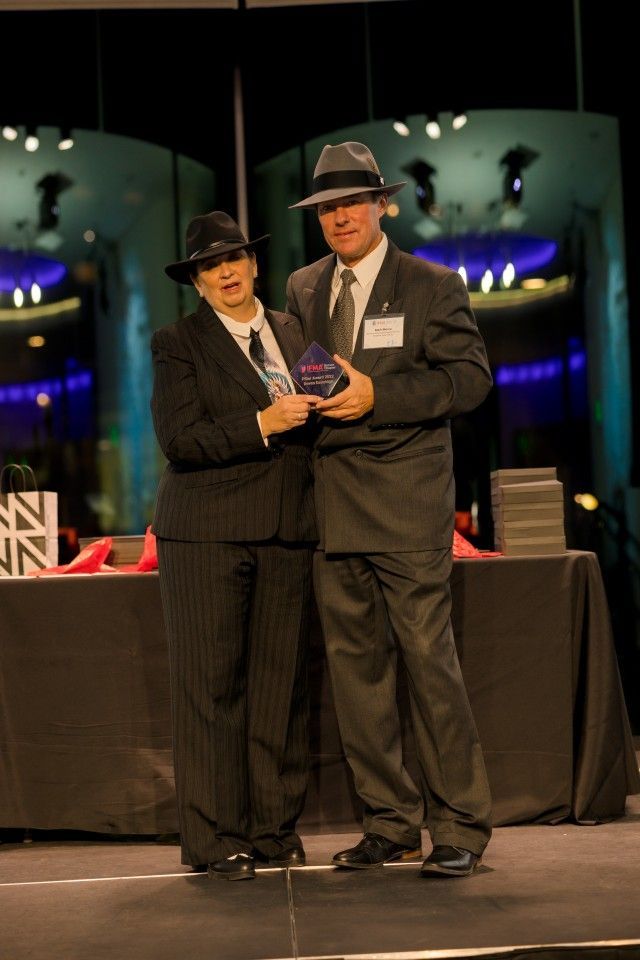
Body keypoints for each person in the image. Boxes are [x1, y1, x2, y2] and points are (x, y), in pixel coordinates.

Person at [286, 142, 493, 878]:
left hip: (407, 503)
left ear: (383, 204)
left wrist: (380, 395)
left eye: (351, 203)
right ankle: (391, 823)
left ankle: (461, 824)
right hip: (332, 506)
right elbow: (304, 374)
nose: (339, 218)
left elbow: (469, 381)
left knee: (428, 665)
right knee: (356, 674)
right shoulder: (303, 286)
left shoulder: (431, 284)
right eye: (326, 209)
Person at [150, 210, 318, 880]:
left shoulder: (292, 331)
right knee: (210, 689)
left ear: (254, 264)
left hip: (288, 528)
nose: (225, 271)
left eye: (234, 258)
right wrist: (262, 422)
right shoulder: (177, 342)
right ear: (196, 281)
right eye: (209, 265)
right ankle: (215, 838)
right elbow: (180, 439)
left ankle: (273, 830)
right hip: (207, 533)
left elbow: (325, 402)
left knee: (280, 688)